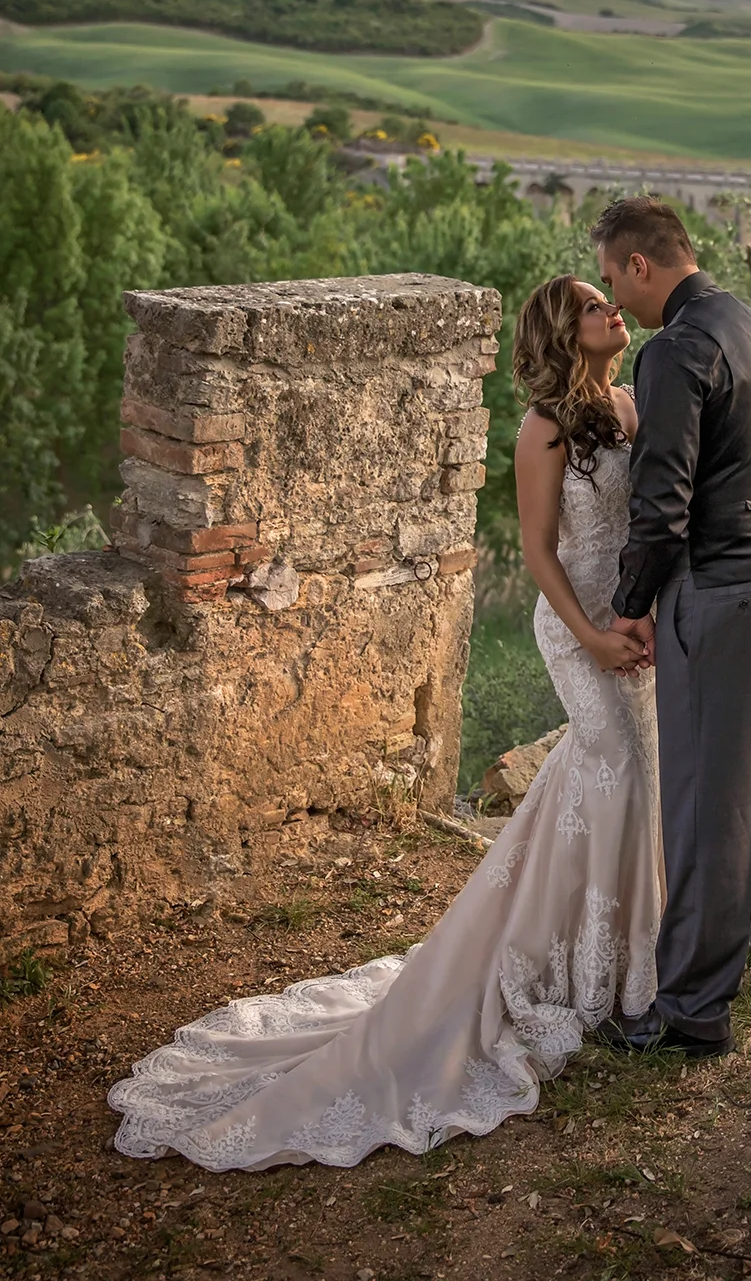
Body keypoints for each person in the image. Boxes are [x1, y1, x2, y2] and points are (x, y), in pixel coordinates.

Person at [107, 275, 662, 1171]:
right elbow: (534, 552)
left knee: (631, 776)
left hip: (626, 625)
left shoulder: (634, 405)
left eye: (613, 302)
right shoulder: (541, 429)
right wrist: (594, 639)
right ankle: (584, 973)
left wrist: (637, 618)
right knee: (614, 770)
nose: (615, 313)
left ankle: (623, 958)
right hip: (576, 629)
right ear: (569, 329)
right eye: (597, 305)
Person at [592, 196, 751, 1060]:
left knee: (704, 803)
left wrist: (630, 604)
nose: (617, 297)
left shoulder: (676, 350)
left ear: (641, 265)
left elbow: (661, 506)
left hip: (721, 589)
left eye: (615, 278)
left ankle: (691, 1007)